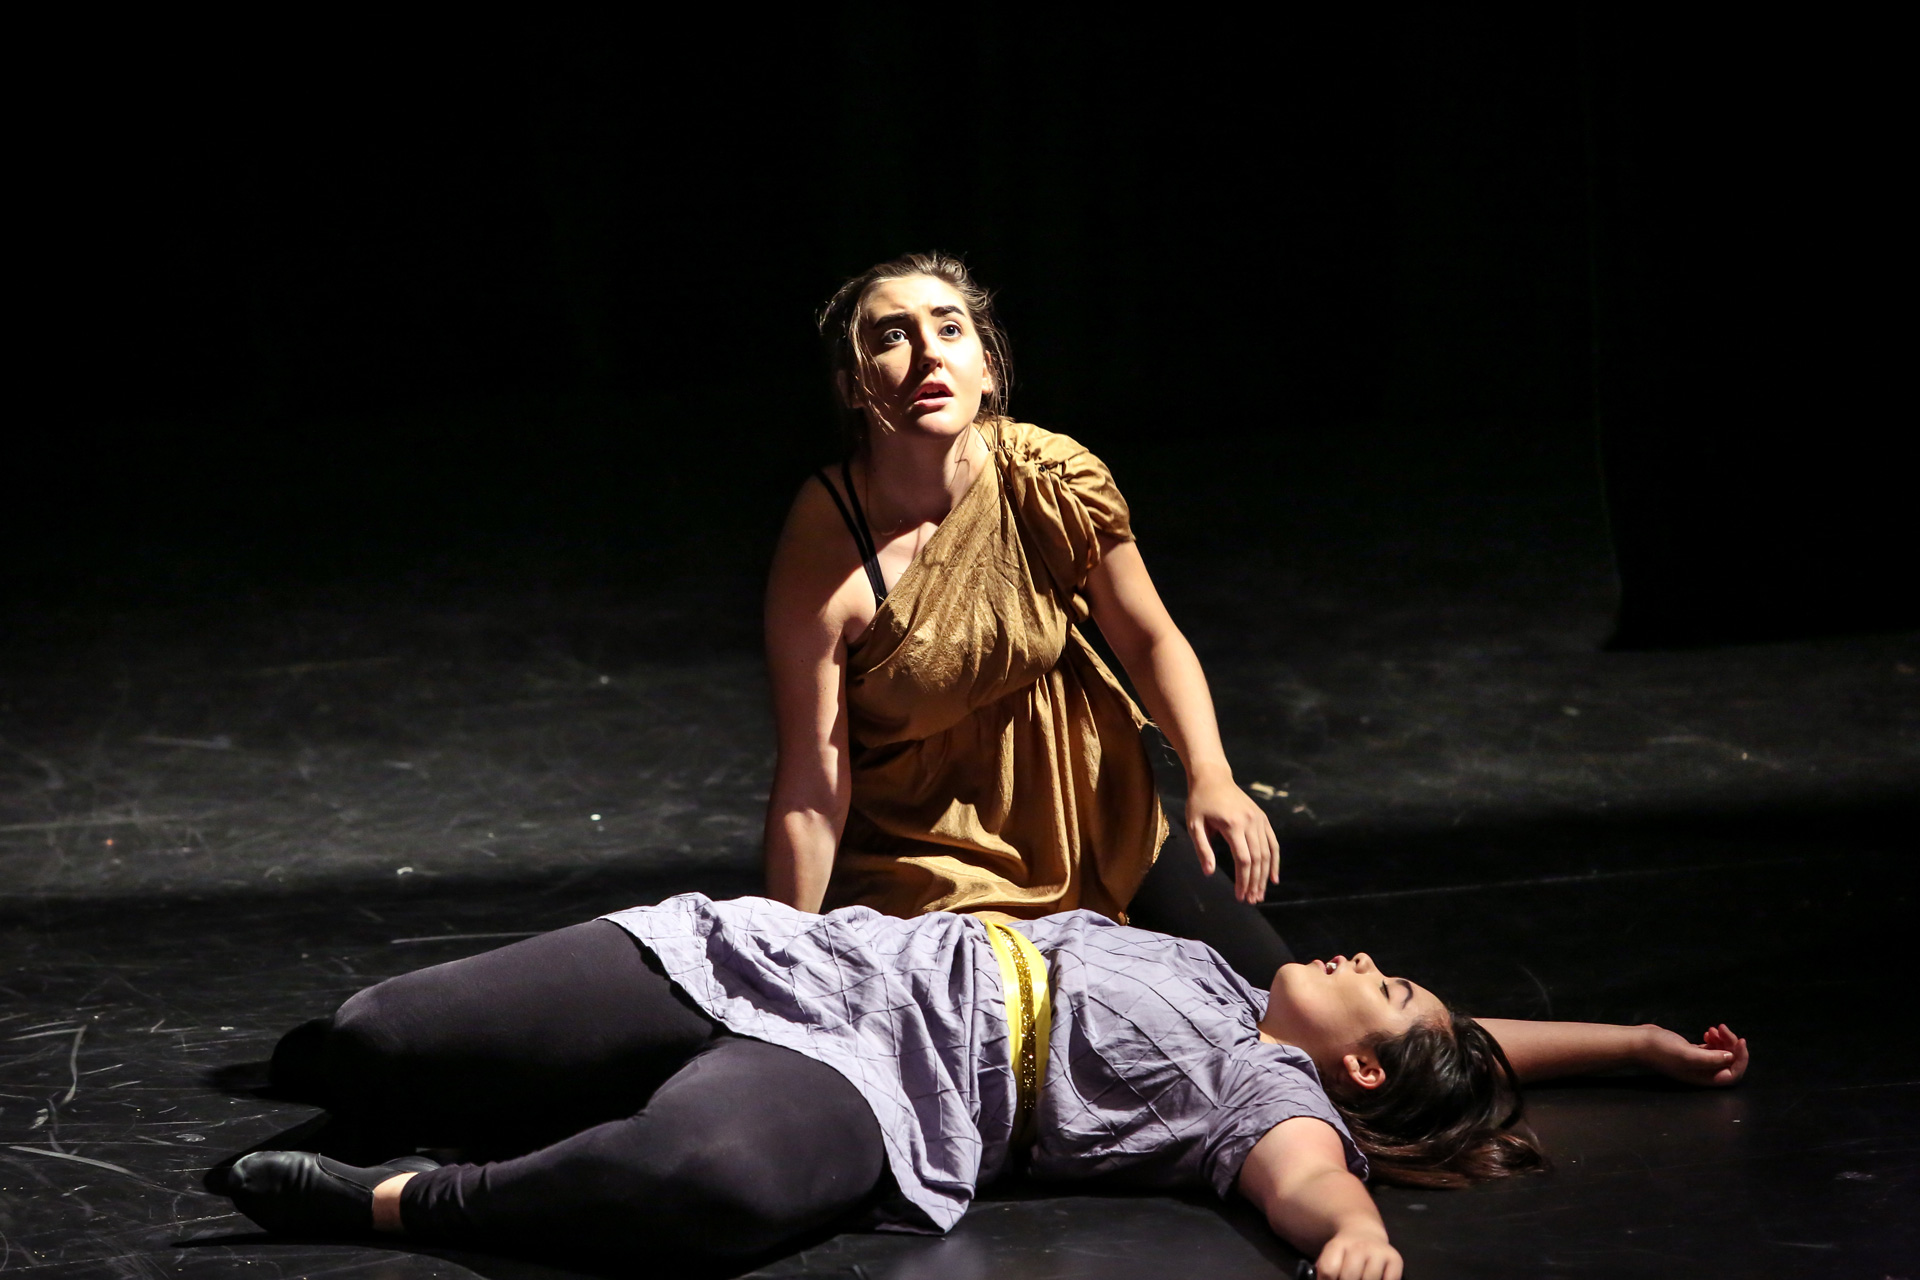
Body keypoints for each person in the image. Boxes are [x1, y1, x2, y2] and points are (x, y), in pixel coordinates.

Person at [220, 895, 1748, 1280]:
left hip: (875, 1083)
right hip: (798, 958)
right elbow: (1468, 1034)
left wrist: (1353, 1234)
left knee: (708, 1193)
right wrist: (1633, 1049)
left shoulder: (1257, 1096)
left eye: (1387, 984)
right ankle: (461, 1098)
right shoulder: (1236, 974)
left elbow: (1316, 1176)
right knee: (371, 1040)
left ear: (1357, 1063)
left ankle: (410, 1202)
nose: (1368, 954)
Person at [764, 251, 1289, 985]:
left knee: (1289, 1001)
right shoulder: (828, 541)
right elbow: (814, 787)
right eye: (892, 336)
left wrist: (1211, 773)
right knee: (1025, 1041)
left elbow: (1148, 637)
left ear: (987, 367)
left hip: (1096, 816)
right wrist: (782, 951)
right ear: (853, 388)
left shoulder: (1049, 480)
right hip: (929, 859)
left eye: (949, 330)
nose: (926, 355)